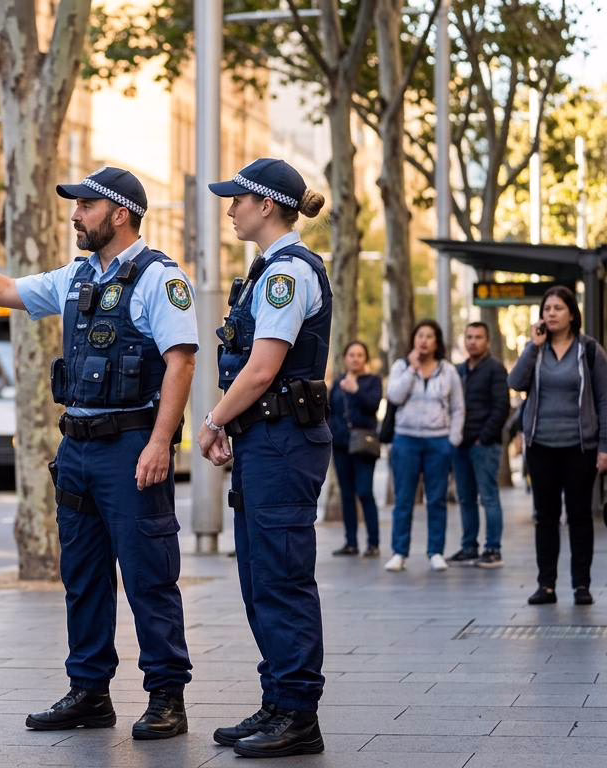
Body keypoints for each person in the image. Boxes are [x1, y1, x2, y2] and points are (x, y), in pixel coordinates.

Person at [0, 165, 198, 742]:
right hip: (78, 450)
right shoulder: (77, 276)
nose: (74, 215)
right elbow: (4, 291)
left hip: (132, 446)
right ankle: (89, 691)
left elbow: (181, 360)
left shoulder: (161, 279)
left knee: (148, 577)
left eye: (85, 206)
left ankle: (166, 696)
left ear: (120, 213)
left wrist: (161, 443)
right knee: (82, 577)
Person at [196, 158, 329, 758]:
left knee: (280, 576)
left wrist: (214, 419)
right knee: (258, 577)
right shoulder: (265, 271)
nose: (230, 208)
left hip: (284, 444)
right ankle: (279, 699)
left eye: (238, 199)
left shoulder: (286, 274)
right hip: (265, 440)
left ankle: (298, 713)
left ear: (267, 205)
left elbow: (263, 368)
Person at [509, 286, 607, 606]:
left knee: (579, 515)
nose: (550, 313)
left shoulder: (590, 350)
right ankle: (546, 584)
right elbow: (516, 383)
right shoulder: (535, 349)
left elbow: (605, 401)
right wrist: (532, 348)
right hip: (541, 446)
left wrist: (604, 447)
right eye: (546, 308)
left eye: (557, 308)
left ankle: (581, 585)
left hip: (580, 447)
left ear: (572, 314)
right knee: (546, 516)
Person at [384, 321, 464, 573]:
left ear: (437, 342)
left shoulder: (448, 371)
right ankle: (399, 552)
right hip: (406, 440)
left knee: (437, 499)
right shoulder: (401, 366)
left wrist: (453, 440)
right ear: (413, 339)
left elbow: (458, 407)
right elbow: (394, 397)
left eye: (430, 336)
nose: (424, 341)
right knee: (404, 499)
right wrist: (412, 369)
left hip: (438, 442)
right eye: (420, 335)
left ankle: (436, 551)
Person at [450, 322, 510, 569]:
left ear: (487, 341)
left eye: (478, 337)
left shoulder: (495, 369)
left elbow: (501, 408)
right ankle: (469, 547)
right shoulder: (458, 370)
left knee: (489, 497)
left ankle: (493, 549)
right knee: (465, 498)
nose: (473, 341)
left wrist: (483, 437)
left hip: (483, 445)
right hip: (460, 444)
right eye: (469, 337)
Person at [329, 341, 382, 557]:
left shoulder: (372, 381)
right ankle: (351, 543)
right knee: (347, 494)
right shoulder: (338, 382)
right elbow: (330, 410)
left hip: (363, 444)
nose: (355, 358)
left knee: (365, 492)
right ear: (345, 358)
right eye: (351, 355)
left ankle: (373, 543)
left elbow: (373, 405)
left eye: (360, 355)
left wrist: (356, 390)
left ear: (365, 359)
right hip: (341, 444)